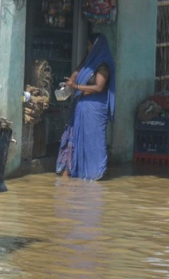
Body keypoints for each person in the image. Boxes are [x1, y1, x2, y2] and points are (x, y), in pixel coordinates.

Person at [56, 33, 115, 180]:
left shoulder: (103, 66)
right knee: (76, 139)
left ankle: (96, 173)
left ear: (95, 46)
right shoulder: (89, 62)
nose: (87, 48)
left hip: (94, 110)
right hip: (82, 107)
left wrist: (76, 86)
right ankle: (77, 172)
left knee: (93, 141)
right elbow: (77, 72)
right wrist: (70, 82)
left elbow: (99, 87)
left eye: (89, 45)